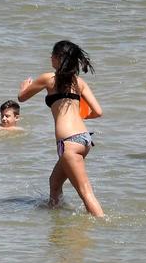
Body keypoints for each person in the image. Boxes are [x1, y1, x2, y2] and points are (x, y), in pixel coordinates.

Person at [18, 40, 105, 217]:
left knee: (86, 193)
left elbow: (21, 98)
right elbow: (98, 111)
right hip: (84, 139)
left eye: (52, 54)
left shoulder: (48, 79)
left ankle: (104, 227)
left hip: (69, 143)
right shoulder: (79, 82)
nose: (50, 57)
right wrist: (78, 117)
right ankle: (56, 219)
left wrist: (24, 86)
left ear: (58, 58)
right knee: (54, 182)